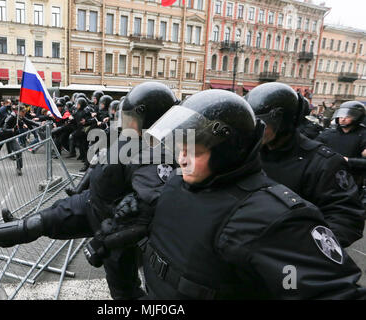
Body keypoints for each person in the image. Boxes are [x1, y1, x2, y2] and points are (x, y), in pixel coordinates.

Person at [0, 82, 179, 300]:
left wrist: (112, 234)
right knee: (36, 223)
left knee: (124, 293)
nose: (125, 122)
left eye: (132, 118)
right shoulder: (131, 138)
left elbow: (150, 204)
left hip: (112, 227)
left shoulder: (153, 154)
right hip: (89, 202)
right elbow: (101, 162)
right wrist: (82, 187)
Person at [139, 89, 366, 299]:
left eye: (195, 151)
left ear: (226, 152)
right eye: (180, 148)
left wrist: (298, 245)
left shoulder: (275, 214)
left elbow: (330, 290)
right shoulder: (186, 181)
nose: (181, 158)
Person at [244, 83, 365, 248]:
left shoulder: (323, 163)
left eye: (262, 123)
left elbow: (346, 219)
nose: (254, 129)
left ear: (284, 121)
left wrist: (303, 247)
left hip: (288, 256)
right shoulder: (248, 154)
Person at [316, 101, 366, 190]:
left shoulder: (363, 135)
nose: (343, 119)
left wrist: (348, 160)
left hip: (351, 181)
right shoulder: (328, 133)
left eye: (348, 116)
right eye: (341, 116)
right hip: (326, 178)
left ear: (358, 118)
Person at [0, 105, 36, 176]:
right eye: (23, 112)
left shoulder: (19, 117)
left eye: (25, 112)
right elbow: (3, 129)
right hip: (1, 136)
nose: (24, 113)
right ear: (18, 111)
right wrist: (12, 130)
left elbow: (29, 121)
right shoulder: (10, 117)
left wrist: (39, 124)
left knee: (18, 151)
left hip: (10, 136)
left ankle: (19, 168)